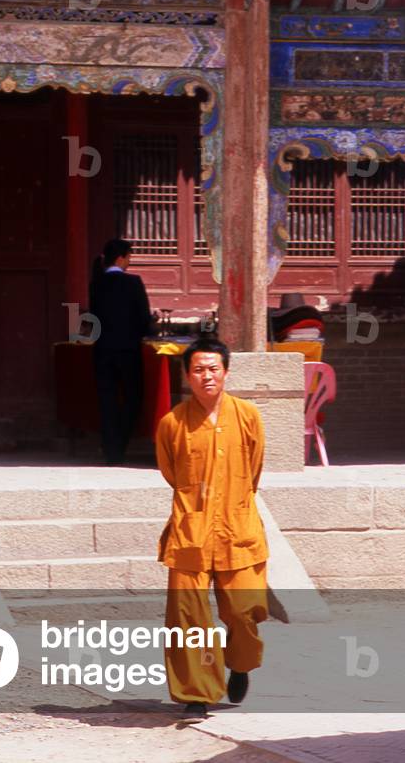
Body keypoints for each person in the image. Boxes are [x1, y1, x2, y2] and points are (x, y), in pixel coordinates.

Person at [155, 337, 268, 719]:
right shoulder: (172, 423)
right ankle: (197, 692)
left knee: (243, 611)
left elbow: (253, 469)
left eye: (213, 368)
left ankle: (239, 665)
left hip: (238, 527)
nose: (206, 376)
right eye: (198, 369)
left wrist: (232, 503)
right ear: (187, 375)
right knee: (188, 615)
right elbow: (172, 473)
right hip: (191, 530)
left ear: (226, 372)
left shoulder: (248, 415)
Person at [89, 238, 152, 465]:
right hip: (128, 350)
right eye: (129, 257)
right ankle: (119, 447)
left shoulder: (96, 283)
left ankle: (110, 449)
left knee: (107, 401)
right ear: (121, 257)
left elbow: (93, 318)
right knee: (133, 398)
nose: (129, 261)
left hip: (103, 349)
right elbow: (144, 319)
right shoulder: (133, 283)